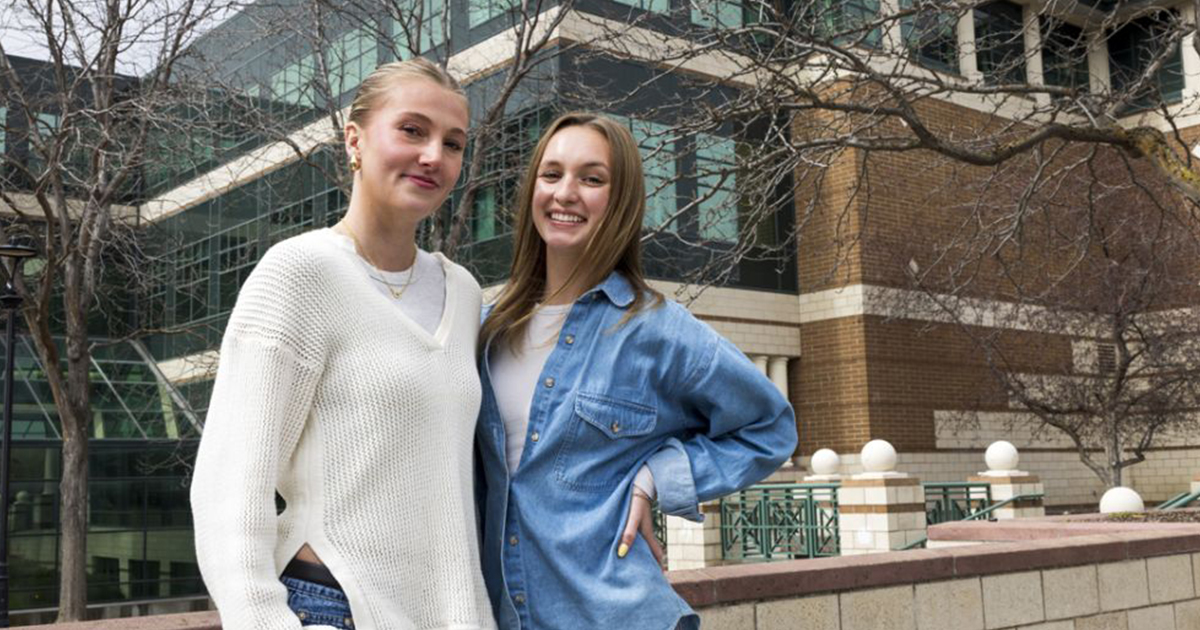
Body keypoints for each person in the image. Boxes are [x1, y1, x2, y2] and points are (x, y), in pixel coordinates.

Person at [190, 58, 496, 630]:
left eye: (453, 143)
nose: (434, 155)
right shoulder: (298, 274)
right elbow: (228, 489)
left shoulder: (463, 290)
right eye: (412, 130)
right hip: (335, 607)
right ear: (354, 140)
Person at [476, 112, 798, 630]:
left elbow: (770, 429)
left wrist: (654, 477)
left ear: (620, 199)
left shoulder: (658, 330)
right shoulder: (488, 328)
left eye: (592, 178)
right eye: (551, 174)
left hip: (616, 615)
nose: (566, 193)